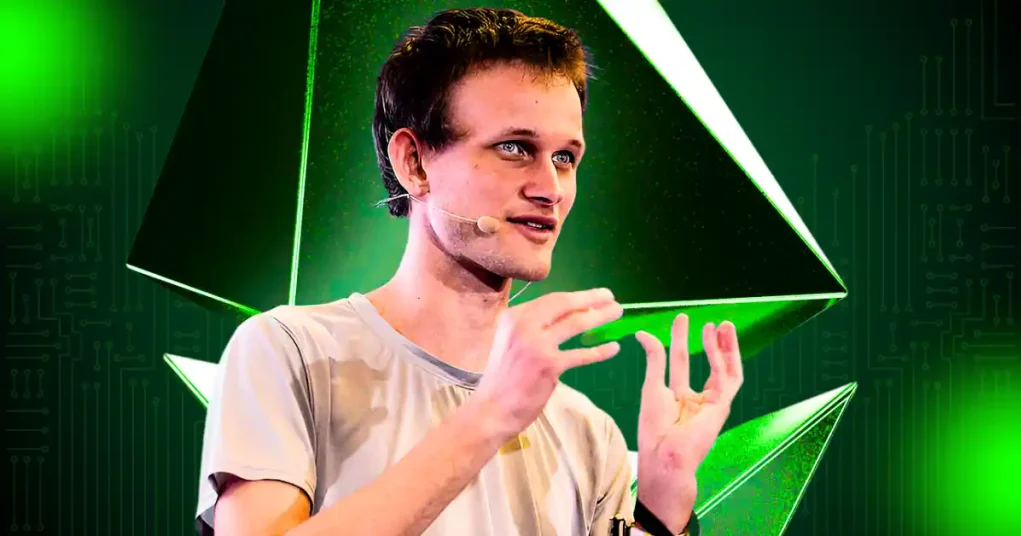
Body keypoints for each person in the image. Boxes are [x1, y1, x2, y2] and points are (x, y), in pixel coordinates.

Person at [195, 7, 744, 536]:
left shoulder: (588, 431)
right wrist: (489, 416)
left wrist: (660, 506)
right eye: (514, 147)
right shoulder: (290, 353)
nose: (550, 188)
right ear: (414, 163)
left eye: (565, 157)